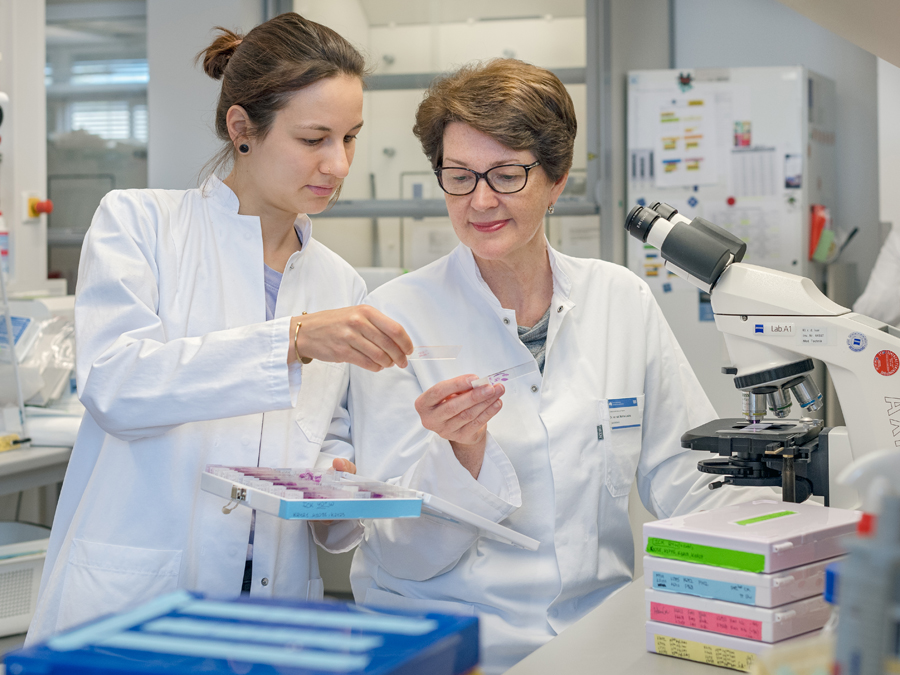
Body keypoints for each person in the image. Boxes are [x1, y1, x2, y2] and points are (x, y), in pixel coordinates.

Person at [348, 59, 769, 673]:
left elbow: (686, 477)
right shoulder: (393, 316)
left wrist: (776, 535)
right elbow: (400, 552)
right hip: (447, 644)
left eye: (507, 175)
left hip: (596, 637)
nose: (480, 200)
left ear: (558, 177)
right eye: (459, 176)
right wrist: (460, 455)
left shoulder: (618, 298)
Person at [27, 13, 412, 644]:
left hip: (273, 603)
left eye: (350, 138)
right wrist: (289, 339)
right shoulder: (139, 226)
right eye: (315, 138)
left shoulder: (340, 283)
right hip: (142, 593)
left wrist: (347, 479)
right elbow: (116, 387)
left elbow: (324, 443)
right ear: (243, 129)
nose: (339, 165)